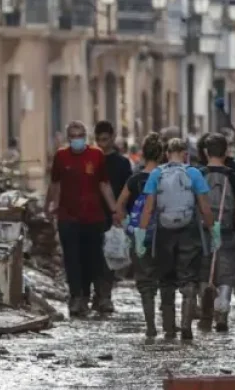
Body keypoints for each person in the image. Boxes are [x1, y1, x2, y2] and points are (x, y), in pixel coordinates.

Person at [135, 138, 215, 342]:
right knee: (188, 278)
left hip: (164, 232)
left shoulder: (156, 174)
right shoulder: (194, 173)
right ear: (185, 153)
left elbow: (148, 208)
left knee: (166, 280)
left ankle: (169, 328)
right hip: (189, 230)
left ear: (167, 154)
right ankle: (187, 326)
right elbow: (205, 207)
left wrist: (140, 236)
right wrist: (214, 232)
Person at [48, 121, 121, 317]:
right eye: (73, 136)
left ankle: (88, 296)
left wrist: (115, 210)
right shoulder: (61, 157)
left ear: (85, 137)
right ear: (68, 138)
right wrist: (52, 206)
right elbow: (55, 183)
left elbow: (104, 184)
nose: (76, 140)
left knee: (91, 259)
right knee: (72, 259)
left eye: (80, 135)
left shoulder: (96, 155)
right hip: (68, 216)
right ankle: (76, 297)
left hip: (93, 216)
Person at [196, 133, 235, 332]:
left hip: (202, 232)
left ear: (206, 152)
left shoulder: (198, 174)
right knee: (226, 274)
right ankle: (222, 312)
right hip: (226, 230)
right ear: (226, 152)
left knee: (203, 272)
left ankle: (205, 311)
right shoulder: (234, 176)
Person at [116, 132, 164, 341]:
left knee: (145, 282)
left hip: (139, 237)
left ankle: (151, 325)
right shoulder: (166, 177)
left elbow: (119, 207)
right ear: (162, 154)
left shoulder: (135, 179)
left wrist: (128, 226)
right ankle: (171, 326)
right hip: (166, 235)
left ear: (143, 154)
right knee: (166, 280)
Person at [92, 120, 134, 313]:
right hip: (91, 214)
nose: (102, 144)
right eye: (99, 140)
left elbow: (129, 189)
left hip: (112, 215)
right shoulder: (91, 160)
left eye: (105, 139)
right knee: (92, 257)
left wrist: (124, 211)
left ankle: (105, 296)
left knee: (109, 256)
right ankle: (95, 294)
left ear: (112, 138)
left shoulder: (122, 163)